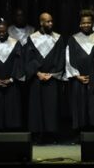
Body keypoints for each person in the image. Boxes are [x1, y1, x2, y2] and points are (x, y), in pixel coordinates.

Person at [25, 12, 65, 141]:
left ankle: (51, 134)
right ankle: (38, 134)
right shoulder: (32, 38)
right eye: (47, 21)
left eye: (51, 21)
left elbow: (61, 58)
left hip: (52, 78)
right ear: (41, 22)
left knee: (51, 107)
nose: (50, 23)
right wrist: (37, 73)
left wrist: (52, 74)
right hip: (37, 78)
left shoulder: (58, 38)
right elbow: (28, 58)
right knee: (36, 106)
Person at [65, 9, 94, 132]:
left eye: (88, 22)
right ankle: (80, 131)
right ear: (80, 24)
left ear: (92, 24)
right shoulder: (73, 39)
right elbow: (68, 58)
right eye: (83, 23)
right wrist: (76, 75)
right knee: (79, 105)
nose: (86, 25)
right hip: (78, 79)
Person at [0, 20, 24, 131]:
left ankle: (11, 132)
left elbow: (19, 63)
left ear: (7, 31)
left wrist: (11, 79)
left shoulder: (15, 43)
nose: (1, 34)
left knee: (12, 109)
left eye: (4, 32)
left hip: (11, 84)